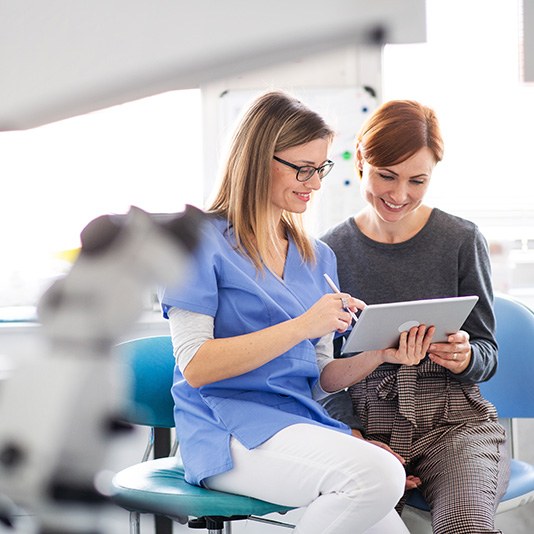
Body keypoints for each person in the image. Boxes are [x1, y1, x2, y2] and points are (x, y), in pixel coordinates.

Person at [159, 91, 431, 534]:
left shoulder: (317, 257)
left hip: (298, 421)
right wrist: (304, 325)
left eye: (320, 168)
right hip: (225, 430)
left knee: (389, 523)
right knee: (376, 477)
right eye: (303, 169)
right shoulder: (194, 243)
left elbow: (321, 374)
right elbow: (196, 367)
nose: (316, 183)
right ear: (256, 159)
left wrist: (379, 356)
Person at [320, 99, 511, 534]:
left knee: (466, 526)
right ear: (362, 159)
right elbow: (322, 373)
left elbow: (487, 352)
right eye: (386, 175)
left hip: (454, 424)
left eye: (417, 180)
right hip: (367, 427)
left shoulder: (461, 239)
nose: (399, 195)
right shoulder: (329, 252)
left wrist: (465, 357)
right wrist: (355, 439)